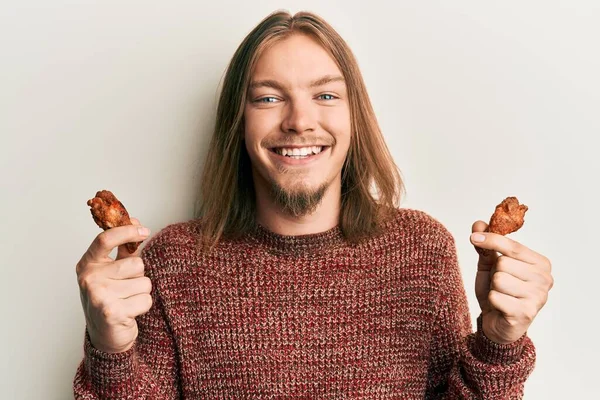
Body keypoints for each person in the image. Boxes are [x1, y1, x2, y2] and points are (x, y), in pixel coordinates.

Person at [73, 10, 553, 399]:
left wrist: (498, 346)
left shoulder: (421, 251)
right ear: (237, 125)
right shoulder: (173, 262)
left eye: (325, 94)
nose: (300, 120)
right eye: (267, 98)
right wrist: (111, 351)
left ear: (354, 117)